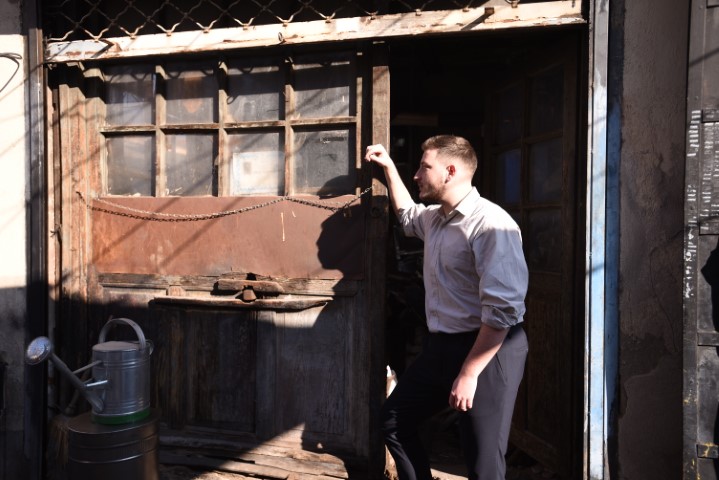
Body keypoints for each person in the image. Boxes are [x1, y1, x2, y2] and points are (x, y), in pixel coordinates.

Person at [365, 135, 529, 480]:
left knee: (482, 460)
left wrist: (469, 374)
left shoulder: (491, 224)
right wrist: (389, 167)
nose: (417, 175)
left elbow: (502, 311)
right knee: (394, 420)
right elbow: (408, 216)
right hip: (442, 346)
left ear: (450, 172)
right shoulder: (435, 219)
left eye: (424, 167)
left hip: (489, 350)